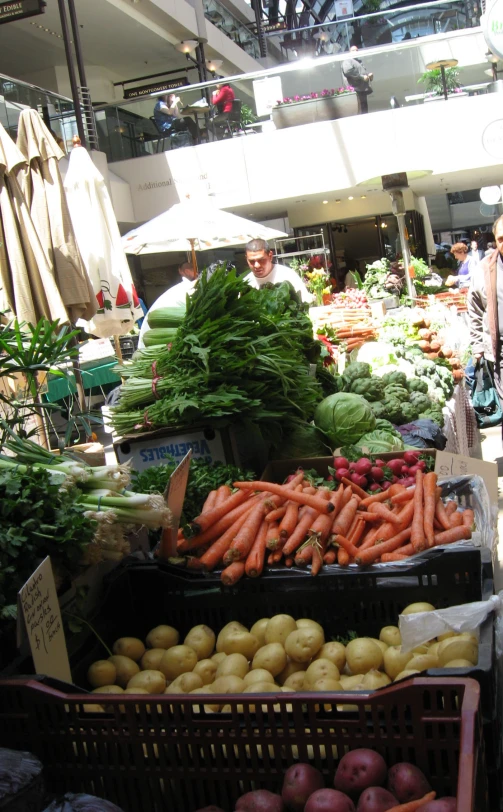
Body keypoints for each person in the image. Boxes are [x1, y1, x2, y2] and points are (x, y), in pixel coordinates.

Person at [467, 214, 503, 401]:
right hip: (500, 351)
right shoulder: (484, 269)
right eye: (500, 239)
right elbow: (474, 310)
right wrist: (478, 346)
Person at [138, 261, 197, 348]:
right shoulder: (191, 291)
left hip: (154, 339)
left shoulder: (186, 288)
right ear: (187, 271)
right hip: (153, 347)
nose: (198, 273)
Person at [244, 238, 313, 303]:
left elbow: (305, 303)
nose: (257, 265)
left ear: (270, 256)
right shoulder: (245, 284)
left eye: (261, 260)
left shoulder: (288, 275)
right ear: (246, 259)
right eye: (252, 261)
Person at [342, 45, 373, 115]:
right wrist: (362, 77)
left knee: (364, 110)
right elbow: (348, 71)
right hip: (355, 90)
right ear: (349, 52)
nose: (355, 52)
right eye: (353, 50)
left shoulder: (358, 61)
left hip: (361, 90)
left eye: (357, 50)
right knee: (359, 110)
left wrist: (368, 76)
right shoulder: (348, 60)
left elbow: (361, 73)